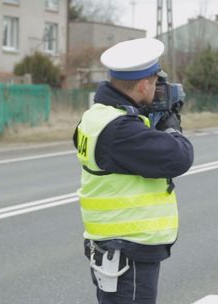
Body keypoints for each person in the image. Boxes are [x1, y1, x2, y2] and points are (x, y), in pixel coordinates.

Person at [73, 38, 194, 304]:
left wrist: (148, 118)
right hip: (126, 252)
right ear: (143, 84)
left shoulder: (98, 115)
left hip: (116, 249)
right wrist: (170, 126)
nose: (158, 88)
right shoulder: (121, 130)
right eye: (155, 82)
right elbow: (180, 157)